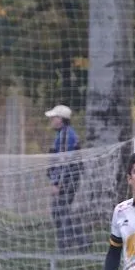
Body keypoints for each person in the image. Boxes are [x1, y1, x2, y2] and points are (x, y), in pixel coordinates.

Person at [45, 104, 87, 252]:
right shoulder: (62, 134)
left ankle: (72, 245)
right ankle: (74, 243)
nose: (51, 120)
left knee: (60, 211)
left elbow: (64, 162)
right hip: (68, 179)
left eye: (54, 117)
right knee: (60, 211)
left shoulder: (66, 136)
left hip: (67, 180)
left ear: (61, 119)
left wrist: (57, 183)